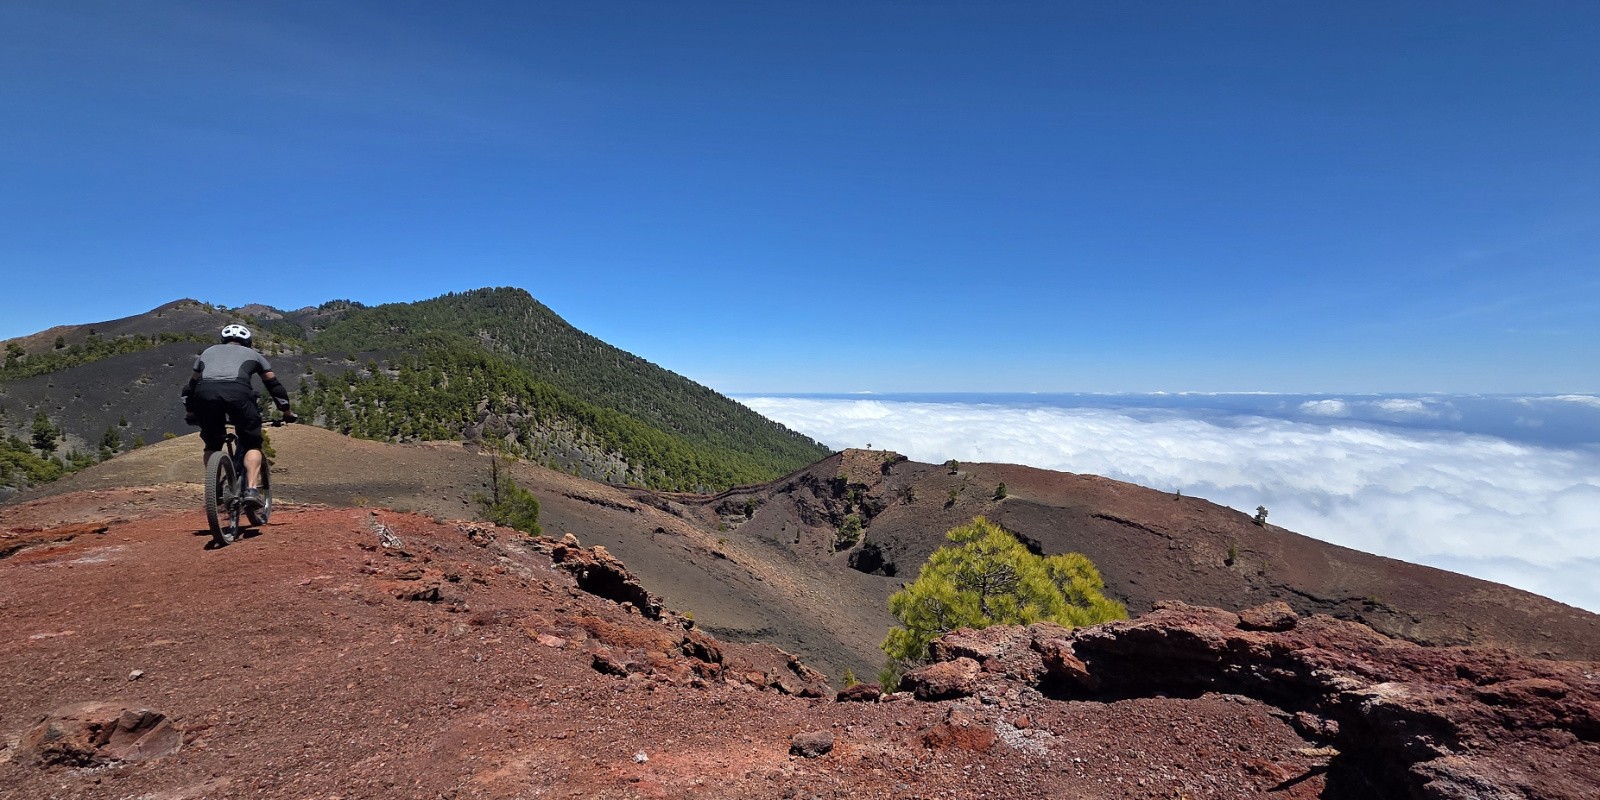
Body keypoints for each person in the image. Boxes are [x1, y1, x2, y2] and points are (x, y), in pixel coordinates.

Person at [181, 324, 296, 510]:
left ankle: (214, 487)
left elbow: (190, 388)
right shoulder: (255, 355)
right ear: (248, 342)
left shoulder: (207, 352)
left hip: (205, 395)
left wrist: (190, 412)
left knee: (211, 444)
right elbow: (274, 386)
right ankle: (251, 490)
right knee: (252, 444)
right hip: (239, 394)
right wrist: (287, 412)